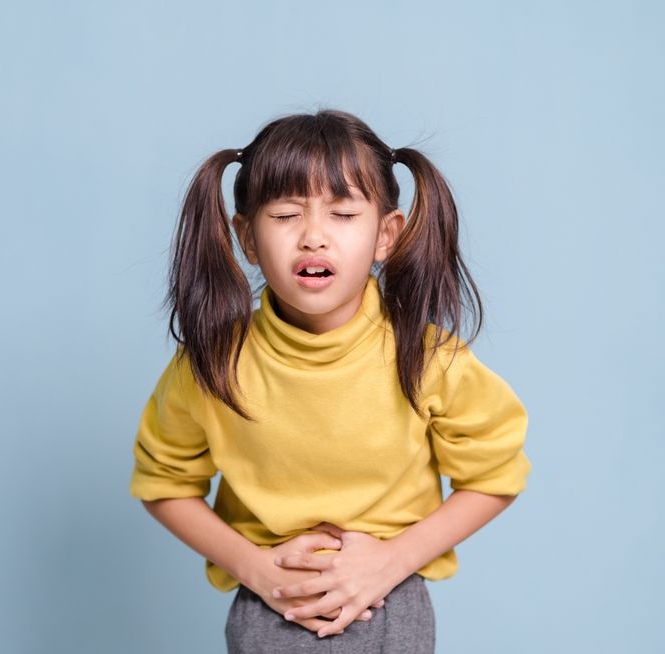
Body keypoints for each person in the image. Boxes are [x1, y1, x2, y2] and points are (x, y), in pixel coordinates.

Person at [128, 108, 531, 653]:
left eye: (342, 214)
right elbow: (164, 482)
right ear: (245, 237)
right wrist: (254, 568)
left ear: (386, 234)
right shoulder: (213, 363)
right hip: (268, 606)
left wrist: (391, 561)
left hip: (388, 603)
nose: (313, 237)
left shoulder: (429, 358)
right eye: (286, 215)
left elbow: (496, 473)